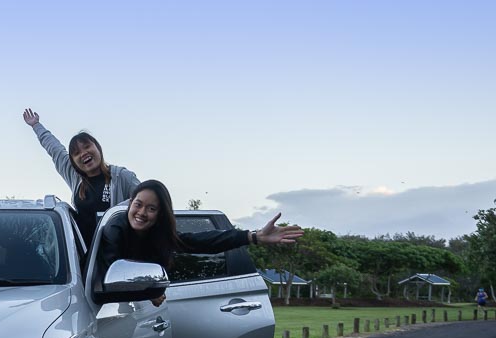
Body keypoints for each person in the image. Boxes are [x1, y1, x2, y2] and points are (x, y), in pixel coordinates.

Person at [98, 180, 303, 305]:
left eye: (151, 208)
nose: (142, 213)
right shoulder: (115, 229)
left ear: (160, 214)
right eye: (138, 204)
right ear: (130, 203)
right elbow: (113, 275)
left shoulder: (157, 235)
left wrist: (254, 236)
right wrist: (147, 293)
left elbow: (201, 241)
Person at [22, 108, 140, 248]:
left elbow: (146, 202)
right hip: (84, 258)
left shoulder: (122, 176)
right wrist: (36, 125)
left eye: (87, 146)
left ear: (98, 147)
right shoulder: (75, 177)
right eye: (76, 153)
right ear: (72, 161)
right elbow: (55, 150)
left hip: (116, 255)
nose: (83, 153)